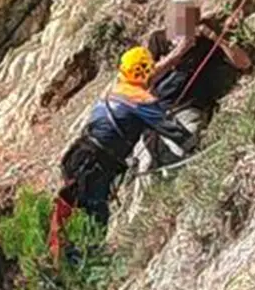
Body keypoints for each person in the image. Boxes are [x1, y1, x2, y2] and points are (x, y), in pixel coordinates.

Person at [51, 46, 193, 256]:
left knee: (72, 210)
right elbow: (175, 132)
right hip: (96, 166)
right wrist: (198, 144)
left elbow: (148, 77)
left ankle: (63, 259)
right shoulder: (142, 100)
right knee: (96, 217)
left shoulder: (117, 90)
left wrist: (178, 54)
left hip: (78, 157)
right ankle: (84, 265)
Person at [141, 0, 252, 168]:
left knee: (179, 151)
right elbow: (146, 79)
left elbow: (244, 63)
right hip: (158, 111)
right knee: (144, 160)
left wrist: (216, 38)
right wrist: (178, 52)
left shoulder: (206, 39)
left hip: (189, 109)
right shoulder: (159, 39)